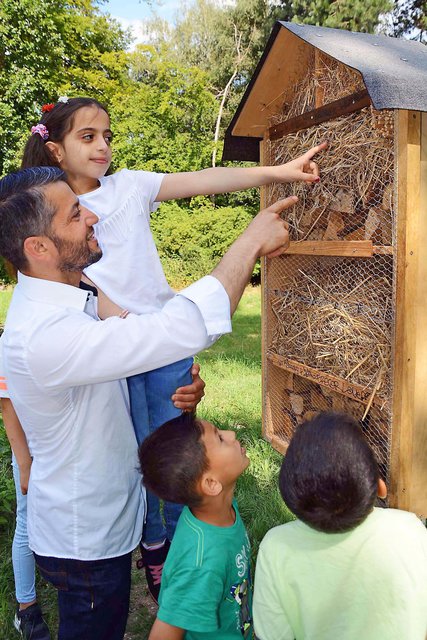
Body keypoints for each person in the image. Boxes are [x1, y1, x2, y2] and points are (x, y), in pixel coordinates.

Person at [21, 96, 326, 599]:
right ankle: (153, 547)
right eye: (88, 137)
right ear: (55, 150)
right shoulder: (54, 215)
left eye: (107, 136)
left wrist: (279, 171)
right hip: (114, 350)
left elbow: (204, 178)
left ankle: (191, 551)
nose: (103, 147)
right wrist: (128, 324)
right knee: (134, 457)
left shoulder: (130, 187)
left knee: (181, 455)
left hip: (161, 348)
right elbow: (79, 288)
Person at [0, 165, 293, 640]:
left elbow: (140, 359)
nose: (93, 215)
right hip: (86, 537)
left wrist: (182, 395)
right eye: (75, 215)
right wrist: (249, 242)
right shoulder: (42, 337)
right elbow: (175, 328)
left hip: (109, 516)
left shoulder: (77, 297)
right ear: (39, 248)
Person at [253, 412, 427, 640]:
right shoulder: (410, 529)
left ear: (290, 495)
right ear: (380, 486)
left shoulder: (276, 547)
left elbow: (271, 635)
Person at [139, 412, 253, 639]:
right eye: (220, 438)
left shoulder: (221, 510)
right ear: (211, 484)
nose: (231, 434)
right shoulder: (200, 564)